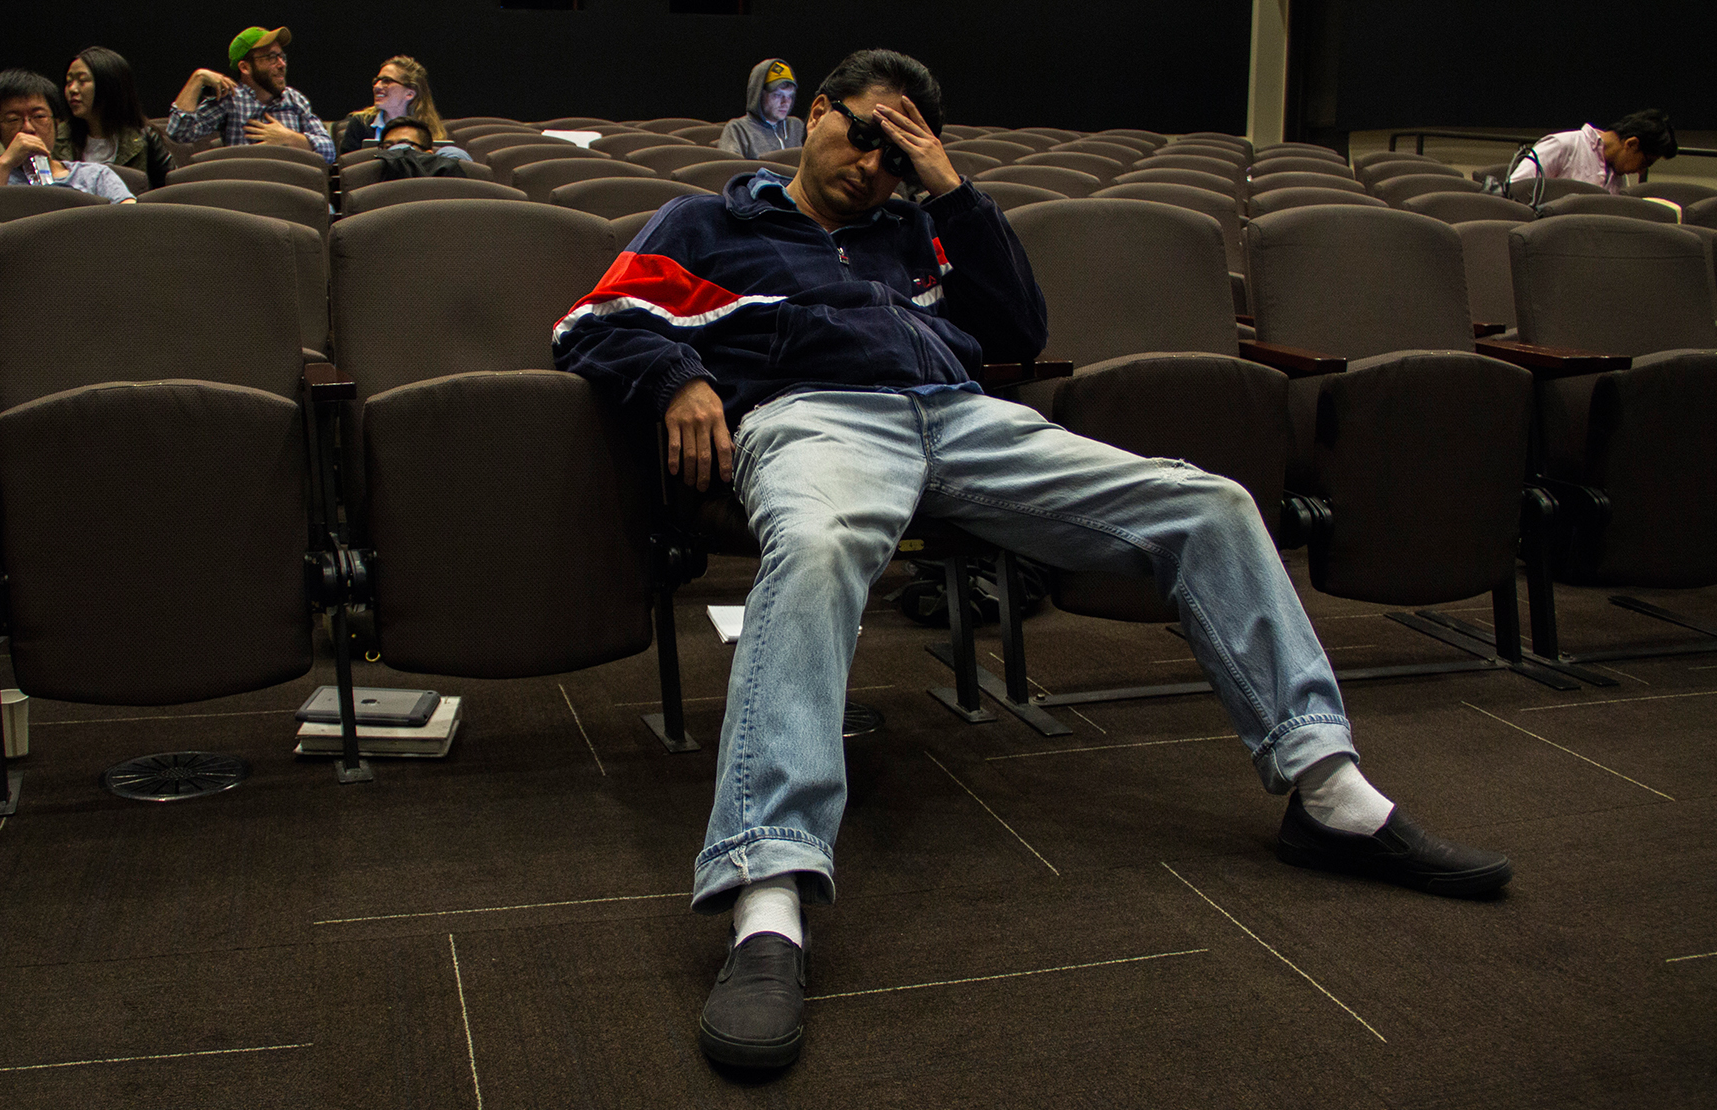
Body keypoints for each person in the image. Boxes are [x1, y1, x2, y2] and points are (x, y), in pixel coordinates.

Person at [552, 48, 1514, 1071]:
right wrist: (677, 376)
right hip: (815, 419)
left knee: (1211, 505)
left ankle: (1327, 792)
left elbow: (1016, 327)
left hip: (963, 419)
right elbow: (590, 324)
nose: (874, 166)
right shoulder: (708, 223)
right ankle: (767, 893)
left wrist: (949, 191)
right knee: (820, 546)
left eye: (899, 154)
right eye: (866, 134)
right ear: (818, 113)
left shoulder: (915, 229)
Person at [0, 68, 134, 202]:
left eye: (39, 116)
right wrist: (6, 163)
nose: (27, 128)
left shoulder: (94, 175)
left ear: (56, 124)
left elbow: (132, 219)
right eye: (13, 119)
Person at [166, 25, 336, 163]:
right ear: (245, 67)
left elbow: (329, 151)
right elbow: (179, 133)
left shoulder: (295, 99)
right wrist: (198, 78)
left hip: (291, 187)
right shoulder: (230, 100)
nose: (281, 64)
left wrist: (289, 138)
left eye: (281, 56)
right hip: (247, 188)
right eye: (271, 57)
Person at [56, 46, 175, 189]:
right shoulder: (58, 138)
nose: (72, 89)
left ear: (109, 86)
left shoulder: (144, 137)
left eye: (82, 81)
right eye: (69, 82)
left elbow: (171, 190)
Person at [1509, 109, 1678, 195]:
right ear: (1631, 143)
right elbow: (1514, 193)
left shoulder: (1618, 179)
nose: (1641, 171)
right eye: (1645, 163)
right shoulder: (1564, 145)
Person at [338, 55, 468, 161]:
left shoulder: (429, 128)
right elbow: (349, 169)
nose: (377, 86)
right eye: (376, 81)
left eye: (387, 81)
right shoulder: (360, 124)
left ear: (409, 94)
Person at [716, 58, 804, 158]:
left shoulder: (797, 127)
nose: (785, 102)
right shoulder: (738, 129)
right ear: (758, 94)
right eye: (777, 95)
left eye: (789, 96)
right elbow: (730, 167)